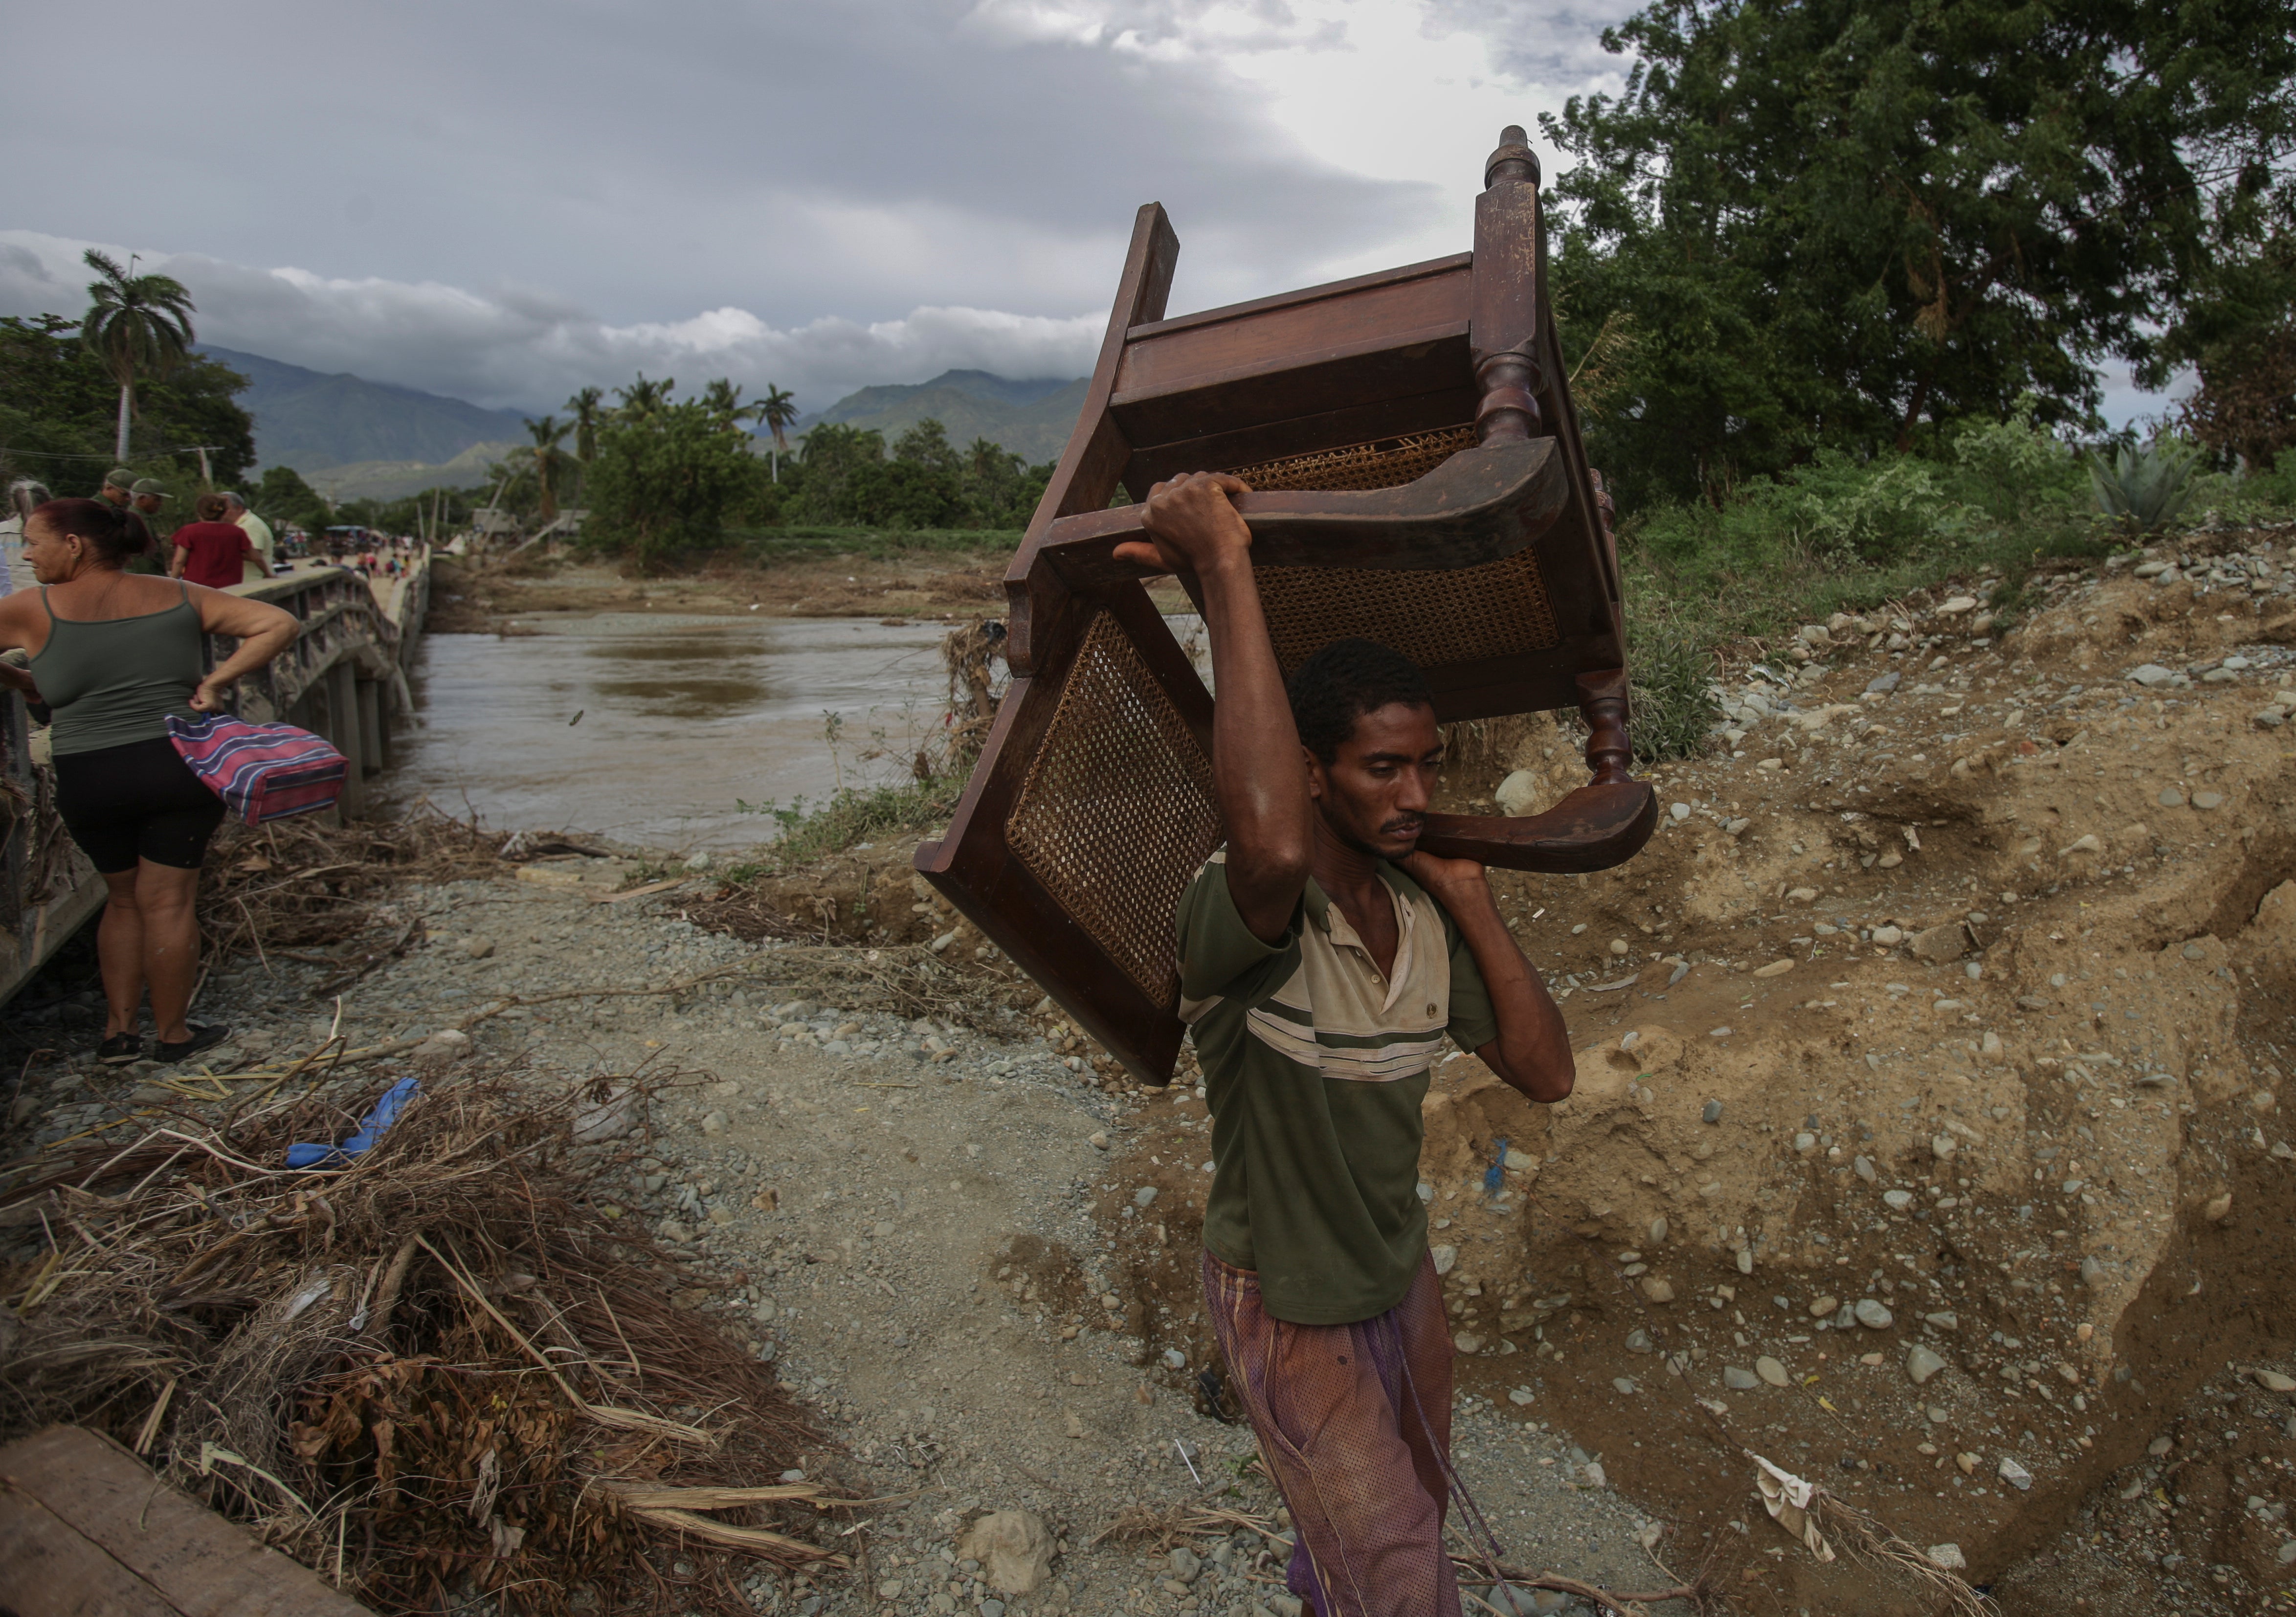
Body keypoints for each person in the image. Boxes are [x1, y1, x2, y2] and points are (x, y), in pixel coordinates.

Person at [1117, 472, 1575, 1617]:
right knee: (1395, 1571)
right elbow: (1268, 847)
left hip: (1397, 1278)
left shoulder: (1415, 916)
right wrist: (1223, 567)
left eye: (1427, 764)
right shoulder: (1242, 910)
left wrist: (1469, 896)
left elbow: (1545, 1070)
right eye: (1383, 768)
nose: (1415, 791)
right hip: (1285, 1300)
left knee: (1399, 1518)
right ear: (1313, 776)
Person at [0, 498, 299, 1065]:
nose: (27, 554)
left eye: (32, 542)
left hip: (89, 774)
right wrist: (215, 683)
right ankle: (173, 1035)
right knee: (168, 901)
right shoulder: (177, 593)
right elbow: (278, 623)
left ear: (73, 545)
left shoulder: (29, 609)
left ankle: (118, 1034)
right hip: (177, 766)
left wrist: (20, 679)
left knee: (123, 899)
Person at [168, 493, 256, 588]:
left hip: (196, 587)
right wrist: (269, 574)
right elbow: (256, 557)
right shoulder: (237, 532)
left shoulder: (189, 531)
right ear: (224, 512)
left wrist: (171, 582)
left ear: (200, 513)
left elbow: (179, 561)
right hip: (230, 587)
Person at [0, 478, 50, 597]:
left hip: (9, 603)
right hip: (50, 602)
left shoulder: (2, 531)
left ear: (13, 502)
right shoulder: (62, 533)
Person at [221, 490, 275, 583]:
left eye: (225, 509)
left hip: (254, 581)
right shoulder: (238, 525)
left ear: (239, 508)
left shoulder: (250, 524)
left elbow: (255, 554)